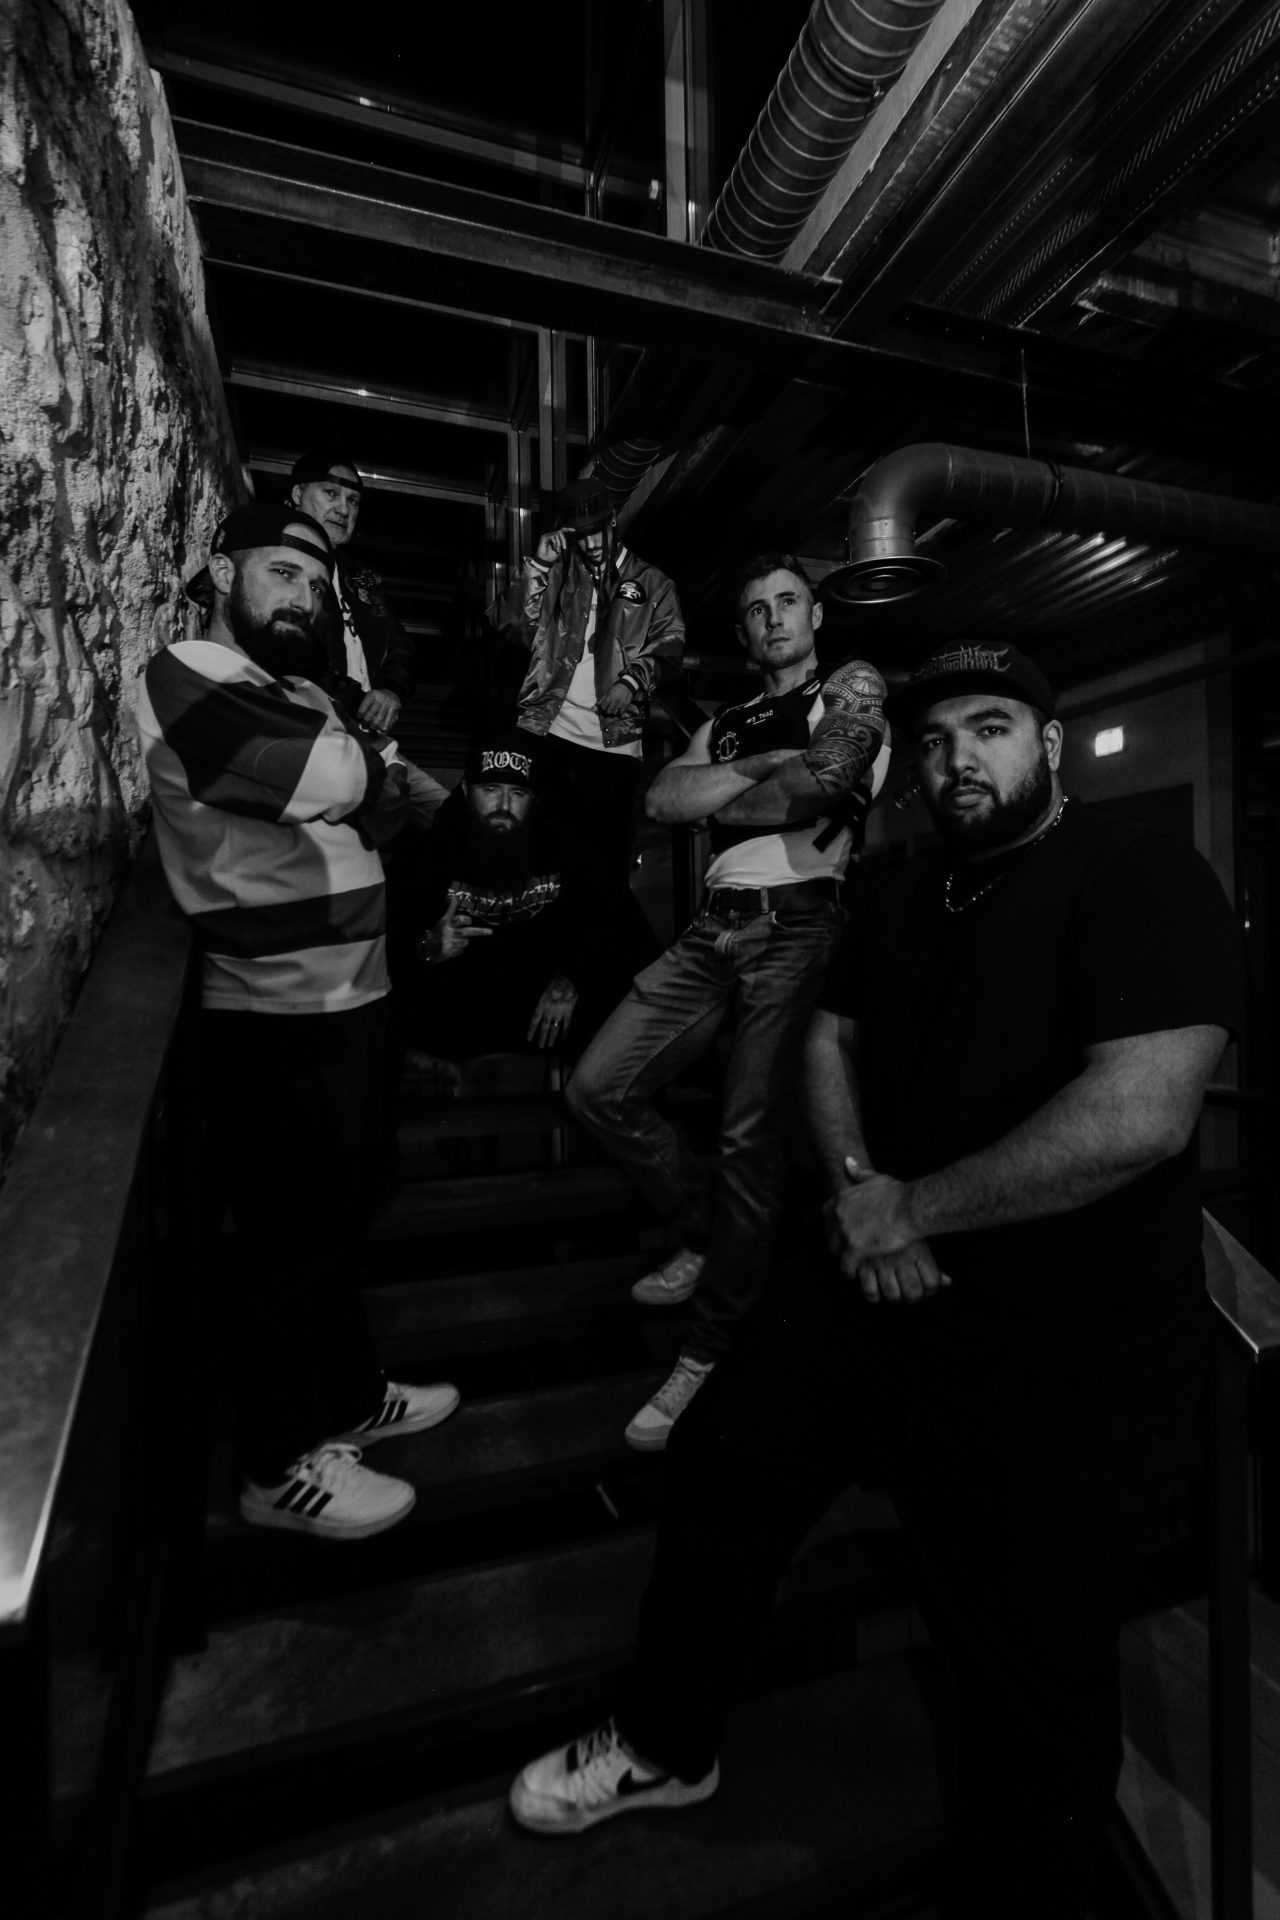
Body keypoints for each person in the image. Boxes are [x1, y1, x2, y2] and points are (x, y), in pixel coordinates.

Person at [508, 641, 1242, 1920]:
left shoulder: (1136, 872)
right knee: (722, 1466)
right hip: (865, 1285)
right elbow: (828, 1039)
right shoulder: (901, 887)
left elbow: (1139, 1111)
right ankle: (666, 1740)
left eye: (990, 726)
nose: (959, 757)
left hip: (1059, 1339)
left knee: (1027, 1666)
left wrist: (916, 1207)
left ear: (1046, 744)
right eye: (938, 736)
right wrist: (858, 1189)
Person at [137, 503, 459, 1543]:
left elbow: (382, 808)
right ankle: (277, 1468)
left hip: (354, 997)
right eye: (282, 571)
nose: (303, 597)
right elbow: (340, 777)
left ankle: (349, 1394)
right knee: (285, 1239)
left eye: (317, 585)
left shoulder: (295, 692)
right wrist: (354, 764)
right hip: (278, 1011)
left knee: (341, 1217)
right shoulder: (187, 670)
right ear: (220, 569)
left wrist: (353, 767)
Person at [566, 553, 889, 1449]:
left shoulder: (851, 685)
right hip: (711, 929)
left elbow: (824, 782)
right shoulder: (730, 719)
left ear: (815, 615)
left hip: (798, 925)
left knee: (750, 1137)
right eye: (756, 609)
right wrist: (767, 767)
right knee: (596, 1088)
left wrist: (731, 794)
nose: (773, 617)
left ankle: (709, 1349)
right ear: (743, 631)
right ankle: (705, 1232)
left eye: (788, 602)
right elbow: (665, 798)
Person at [387, 732, 650, 1068]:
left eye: (517, 793)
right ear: (466, 792)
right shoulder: (426, 855)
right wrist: (428, 945)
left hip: (547, 1022)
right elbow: (390, 940)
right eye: (490, 789)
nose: (504, 806)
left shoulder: (564, 846)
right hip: (456, 1029)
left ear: (532, 798)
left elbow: (614, 918)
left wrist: (571, 980)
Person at [488, 477, 685, 880]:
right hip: (548, 729)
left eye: (597, 531)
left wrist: (631, 681)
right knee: (535, 857)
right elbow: (507, 624)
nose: (592, 543)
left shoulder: (653, 582)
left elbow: (671, 645)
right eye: (581, 535)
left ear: (612, 521)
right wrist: (539, 565)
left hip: (614, 743)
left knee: (603, 868)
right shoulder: (557, 573)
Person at [289, 451, 448, 830]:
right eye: (330, 493)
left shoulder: (361, 576)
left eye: (354, 501)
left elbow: (400, 643)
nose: (344, 509)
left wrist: (391, 690)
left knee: (453, 816)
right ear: (297, 494)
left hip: (368, 739)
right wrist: (357, 699)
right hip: (310, 735)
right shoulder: (280, 560)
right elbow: (291, 652)